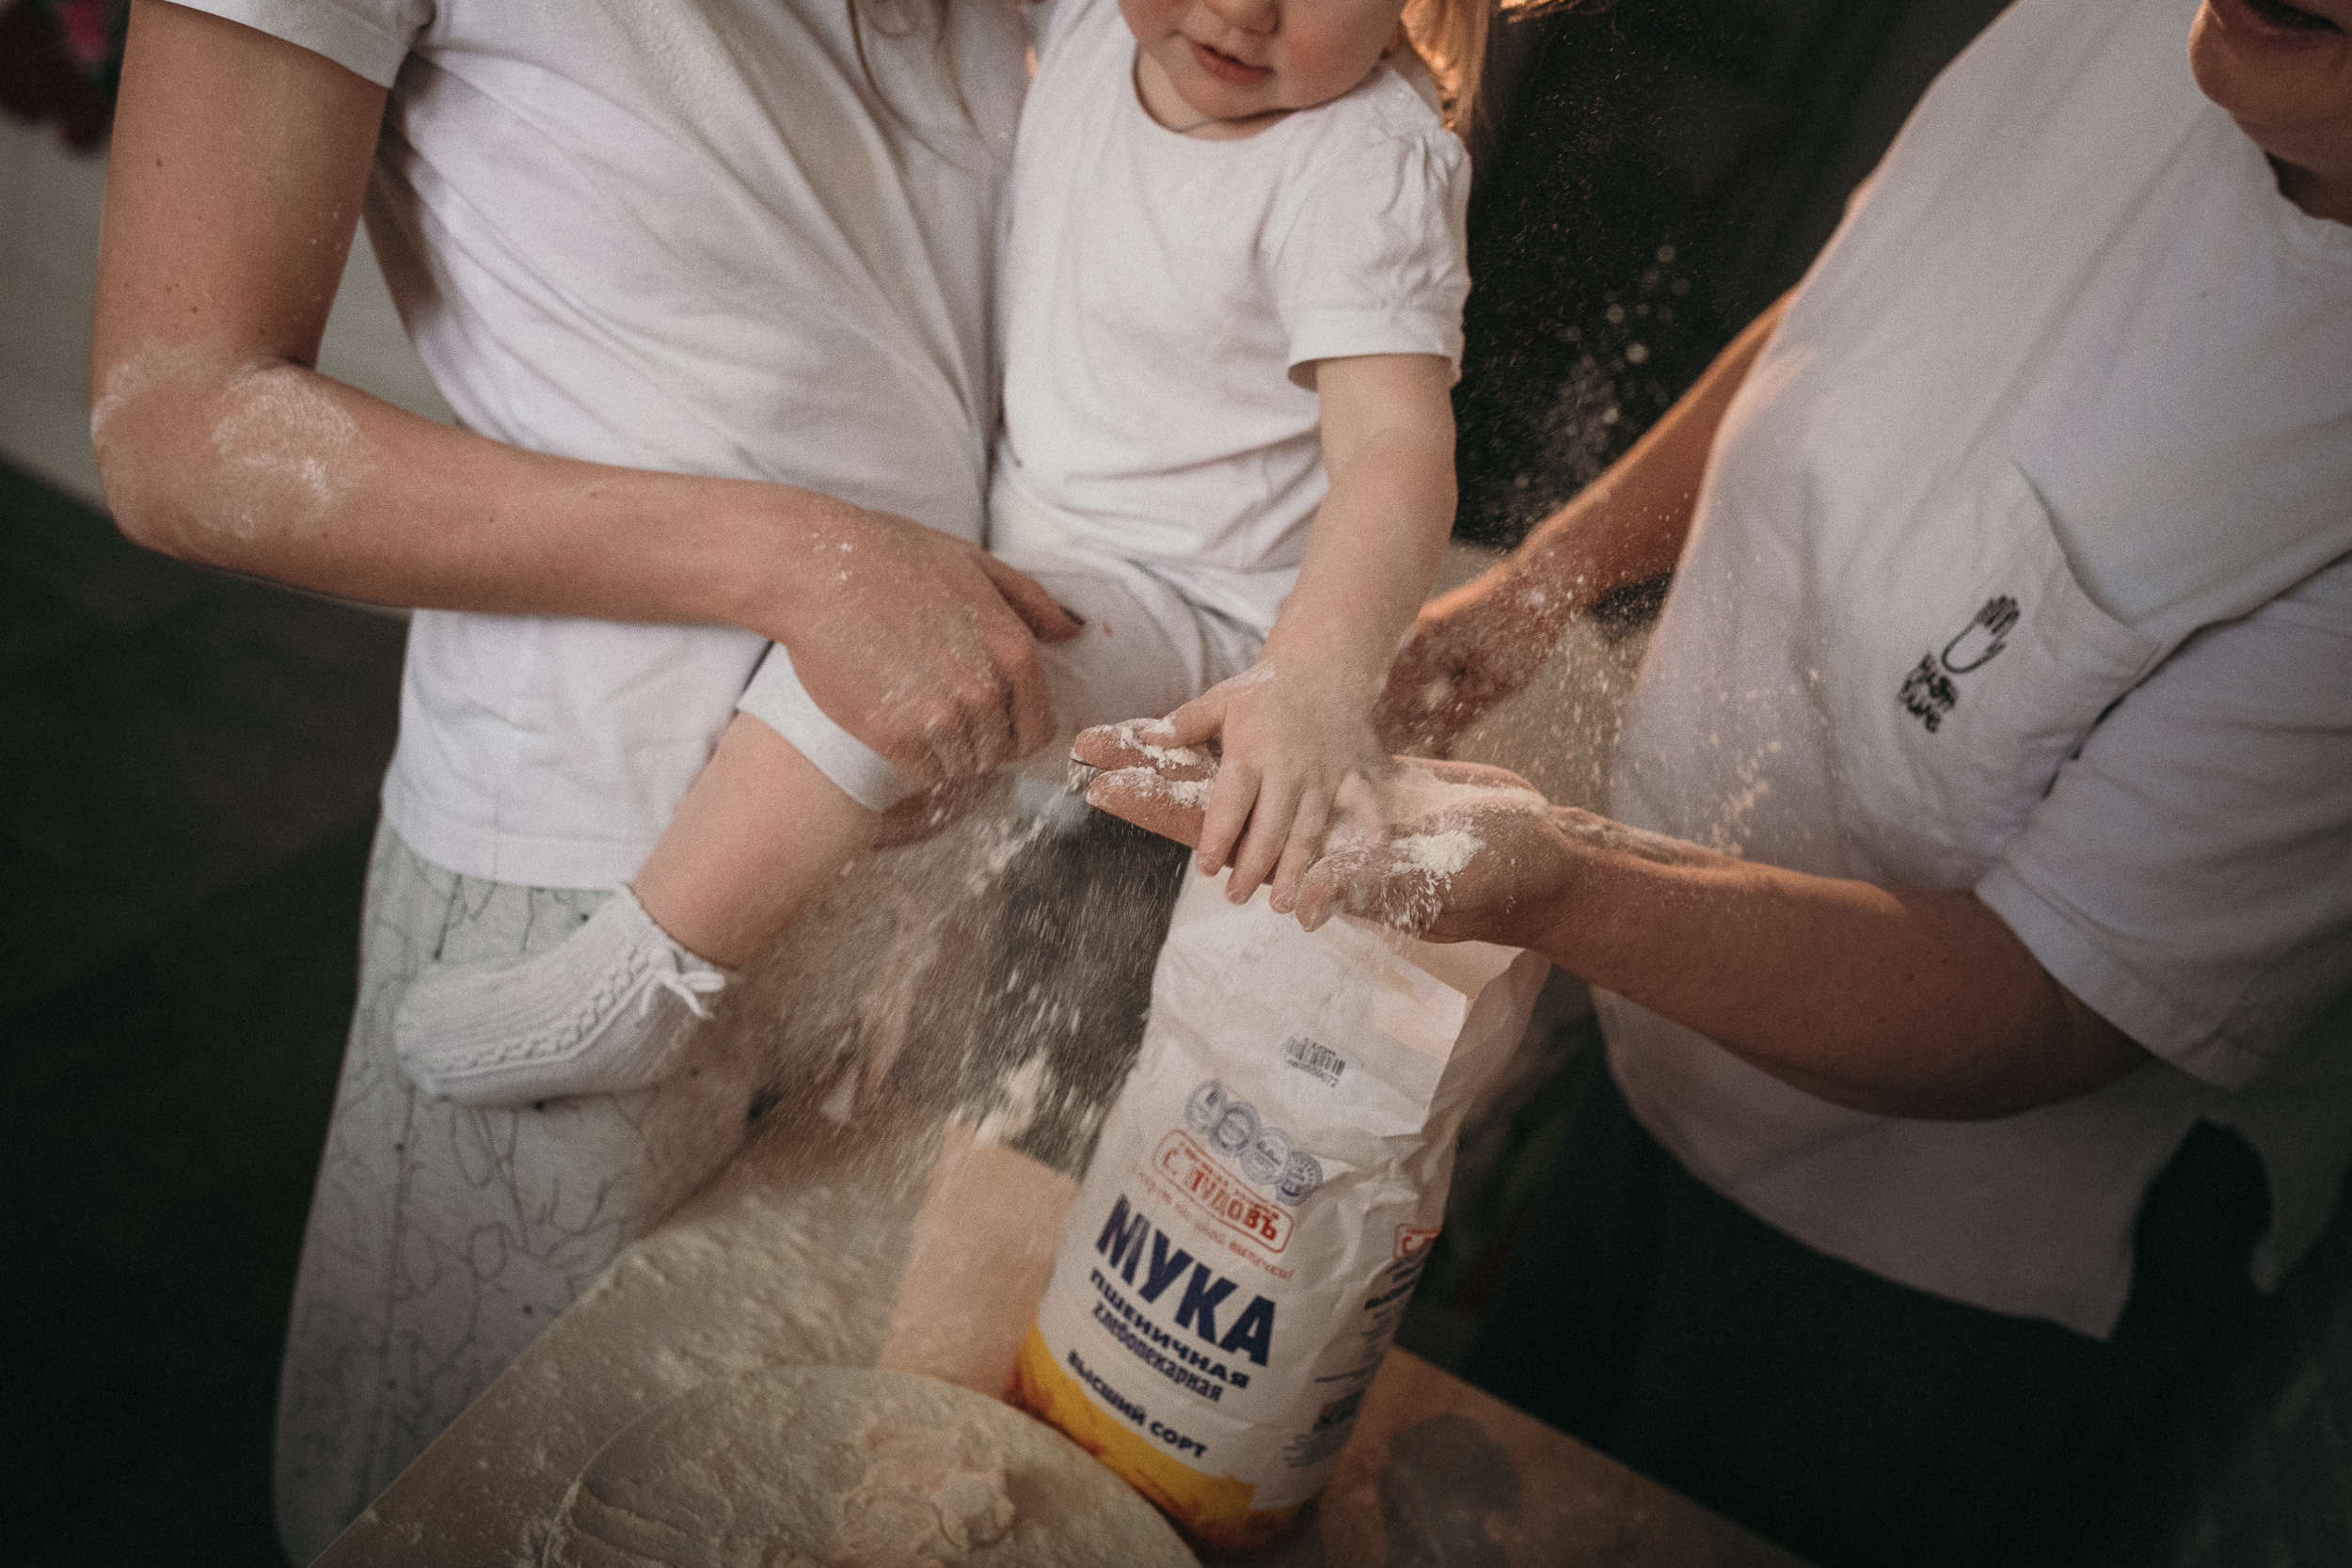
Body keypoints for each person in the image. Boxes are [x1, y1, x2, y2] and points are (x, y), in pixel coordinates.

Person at [93, 0, 1482, 1558]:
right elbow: (177, 425)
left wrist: (1322, 659)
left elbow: (1372, 437)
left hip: (939, 840)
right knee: (446, 1498)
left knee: (723, 1485)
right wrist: (811, 565)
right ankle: (635, 972)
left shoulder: (1302, 122)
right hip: (598, 842)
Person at [1080, 0, 2352, 1563]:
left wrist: (1561, 880)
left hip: (1942, 1262)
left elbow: (2048, 1000)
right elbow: (1850, 325)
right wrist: (1541, 584)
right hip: (1663, 1044)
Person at [386, 0, 1485, 1109]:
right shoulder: (1098, 25)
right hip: (1044, 543)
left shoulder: (1365, 161)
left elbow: (1395, 448)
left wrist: (1314, 676)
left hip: (1193, 606)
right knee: (883, 756)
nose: (1243, 9)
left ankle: (635, 991)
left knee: (881, 664)